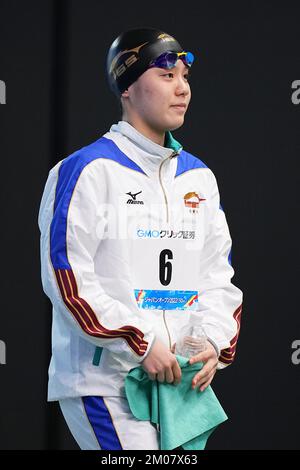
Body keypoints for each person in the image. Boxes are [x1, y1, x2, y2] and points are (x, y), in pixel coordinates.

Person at [38, 27, 243, 450]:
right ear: (127, 87)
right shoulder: (87, 170)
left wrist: (213, 342)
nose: (182, 88)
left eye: (185, 77)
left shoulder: (199, 176)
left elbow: (217, 276)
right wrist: (140, 342)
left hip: (179, 381)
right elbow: (68, 278)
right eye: (167, 75)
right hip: (106, 380)